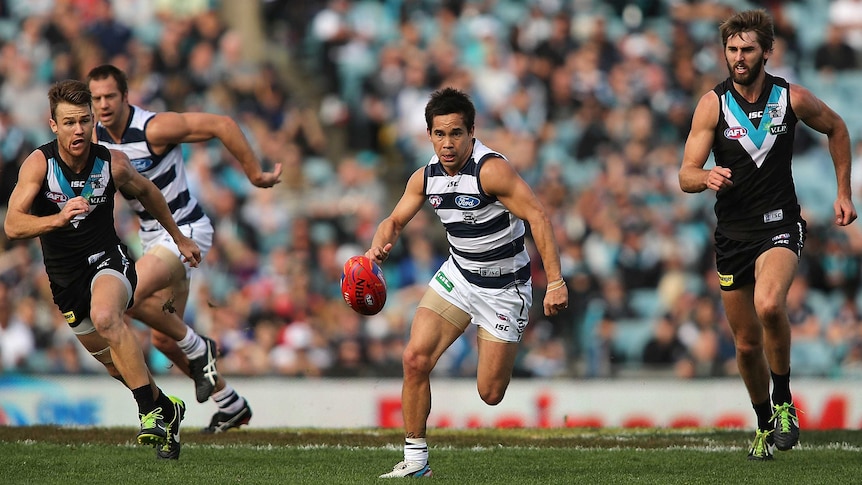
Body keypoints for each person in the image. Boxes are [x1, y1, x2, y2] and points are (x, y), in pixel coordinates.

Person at [678, 9, 857, 461]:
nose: (738, 57)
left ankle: (783, 401)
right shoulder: (711, 105)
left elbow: (837, 127)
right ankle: (763, 422)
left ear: (766, 52)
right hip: (732, 236)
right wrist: (705, 177)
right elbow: (684, 174)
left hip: (781, 224)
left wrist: (843, 193)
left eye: (748, 49)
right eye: (732, 49)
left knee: (770, 303)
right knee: (745, 342)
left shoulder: (790, 98)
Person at [368, 87, 568, 478]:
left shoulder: (491, 170)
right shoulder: (425, 176)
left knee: (490, 393)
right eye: (440, 134)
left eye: (456, 133)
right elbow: (393, 220)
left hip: (504, 287)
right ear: (429, 134)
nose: (447, 143)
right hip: (459, 276)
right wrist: (379, 244)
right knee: (414, 358)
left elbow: (538, 217)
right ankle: (415, 461)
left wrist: (556, 281)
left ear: (472, 132)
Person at [4, 79, 202, 459]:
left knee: (107, 316)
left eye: (84, 120)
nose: (78, 130)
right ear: (53, 125)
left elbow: (149, 192)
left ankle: (147, 413)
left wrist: (178, 238)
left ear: (92, 119)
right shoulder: (39, 164)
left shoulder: (112, 162)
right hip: (65, 280)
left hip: (108, 261)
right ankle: (166, 408)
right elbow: (13, 225)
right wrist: (56, 220)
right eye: (69, 122)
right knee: (116, 367)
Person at [86, 64, 282, 432]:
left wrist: (255, 174)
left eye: (110, 96)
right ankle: (230, 403)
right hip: (152, 238)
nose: (103, 104)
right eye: (96, 98)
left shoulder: (153, 129)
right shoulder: (95, 139)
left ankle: (200, 349)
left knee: (121, 300)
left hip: (186, 230)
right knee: (163, 336)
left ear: (126, 96)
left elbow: (222, 124)